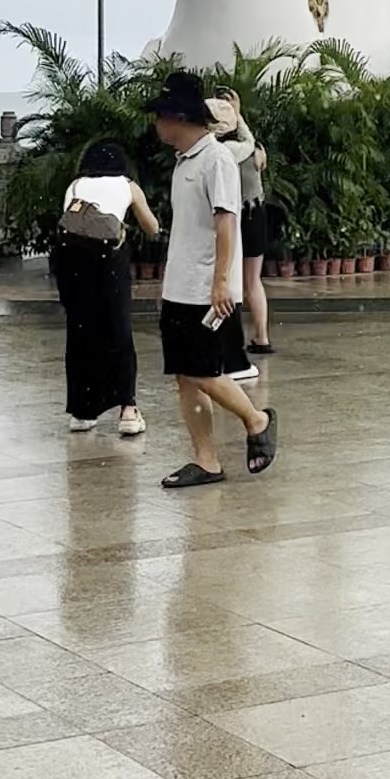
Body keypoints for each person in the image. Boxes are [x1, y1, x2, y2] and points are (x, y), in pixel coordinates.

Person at [147, 71, 277, 488]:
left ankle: (256, 420)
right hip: (181, 288)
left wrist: (222, 282)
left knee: (202, 371)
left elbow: (226, 223)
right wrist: (168, 285)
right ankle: (206, 460)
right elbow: (188, 230)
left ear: (179, 118)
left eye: (161, 116)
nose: (156, 125)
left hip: (207, 288)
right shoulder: (184, 162)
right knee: (185, 376)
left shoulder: (217, 160)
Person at [57, 142, 158, 436]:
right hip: (108, 262)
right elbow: (152, 227)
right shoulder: (127, 185)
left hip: (71, 265)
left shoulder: (76, 186)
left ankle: (82, 411)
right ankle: (127, 409)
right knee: (118, 331)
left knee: (80, 333)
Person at [207, 90, 273, 358]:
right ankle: (262, 337)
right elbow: (249, 141)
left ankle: (223, 338)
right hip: (256, 215)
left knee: (225, 280)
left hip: (231, 219)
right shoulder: (252, 148)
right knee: (252, 281)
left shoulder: (217, 152)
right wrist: (238, 111)